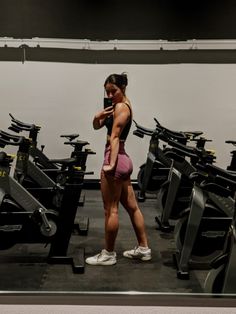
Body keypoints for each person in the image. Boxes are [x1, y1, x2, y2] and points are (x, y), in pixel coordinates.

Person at [85, 73, 151, 266]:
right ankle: (144, 248)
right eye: (107, 92)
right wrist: (97, 117)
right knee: (132, 207)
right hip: (123, 158)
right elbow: (98, 127)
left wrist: (111, 164)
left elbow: (114, 138)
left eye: (114, 91)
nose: (110, 95)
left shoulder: (121, 107)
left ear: (123, 87)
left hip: (116, 157)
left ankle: (109, 254)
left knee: (110, 210)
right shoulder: (117, 106)